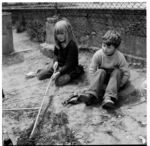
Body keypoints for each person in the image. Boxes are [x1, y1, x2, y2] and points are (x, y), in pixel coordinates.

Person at [78, 30, 130, 109]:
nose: (105, 49)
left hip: (114, 80)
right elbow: (92, 71)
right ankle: (90, 95)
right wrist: (99, 85)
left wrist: (118, 85)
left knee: (117, 72)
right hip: (102, 79)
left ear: (115, 48)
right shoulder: (98, 55)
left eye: (109, 47)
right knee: (100, 71)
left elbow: (126, 74)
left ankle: (108, 98)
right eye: (104, 45)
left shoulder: (119, 57)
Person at [37, 18, 84, 86]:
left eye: (62, 33)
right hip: (59, 66)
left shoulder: (72, 45)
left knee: (58, 82)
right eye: (57, 33)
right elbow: (55, 54)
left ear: (67, 33)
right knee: (40, 76)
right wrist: (55, 62)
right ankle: (49, 70)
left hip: (69, 68)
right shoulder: (58, 42)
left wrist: (59, 73)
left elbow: (68, 64)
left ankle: (76, 72)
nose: (59, 36)